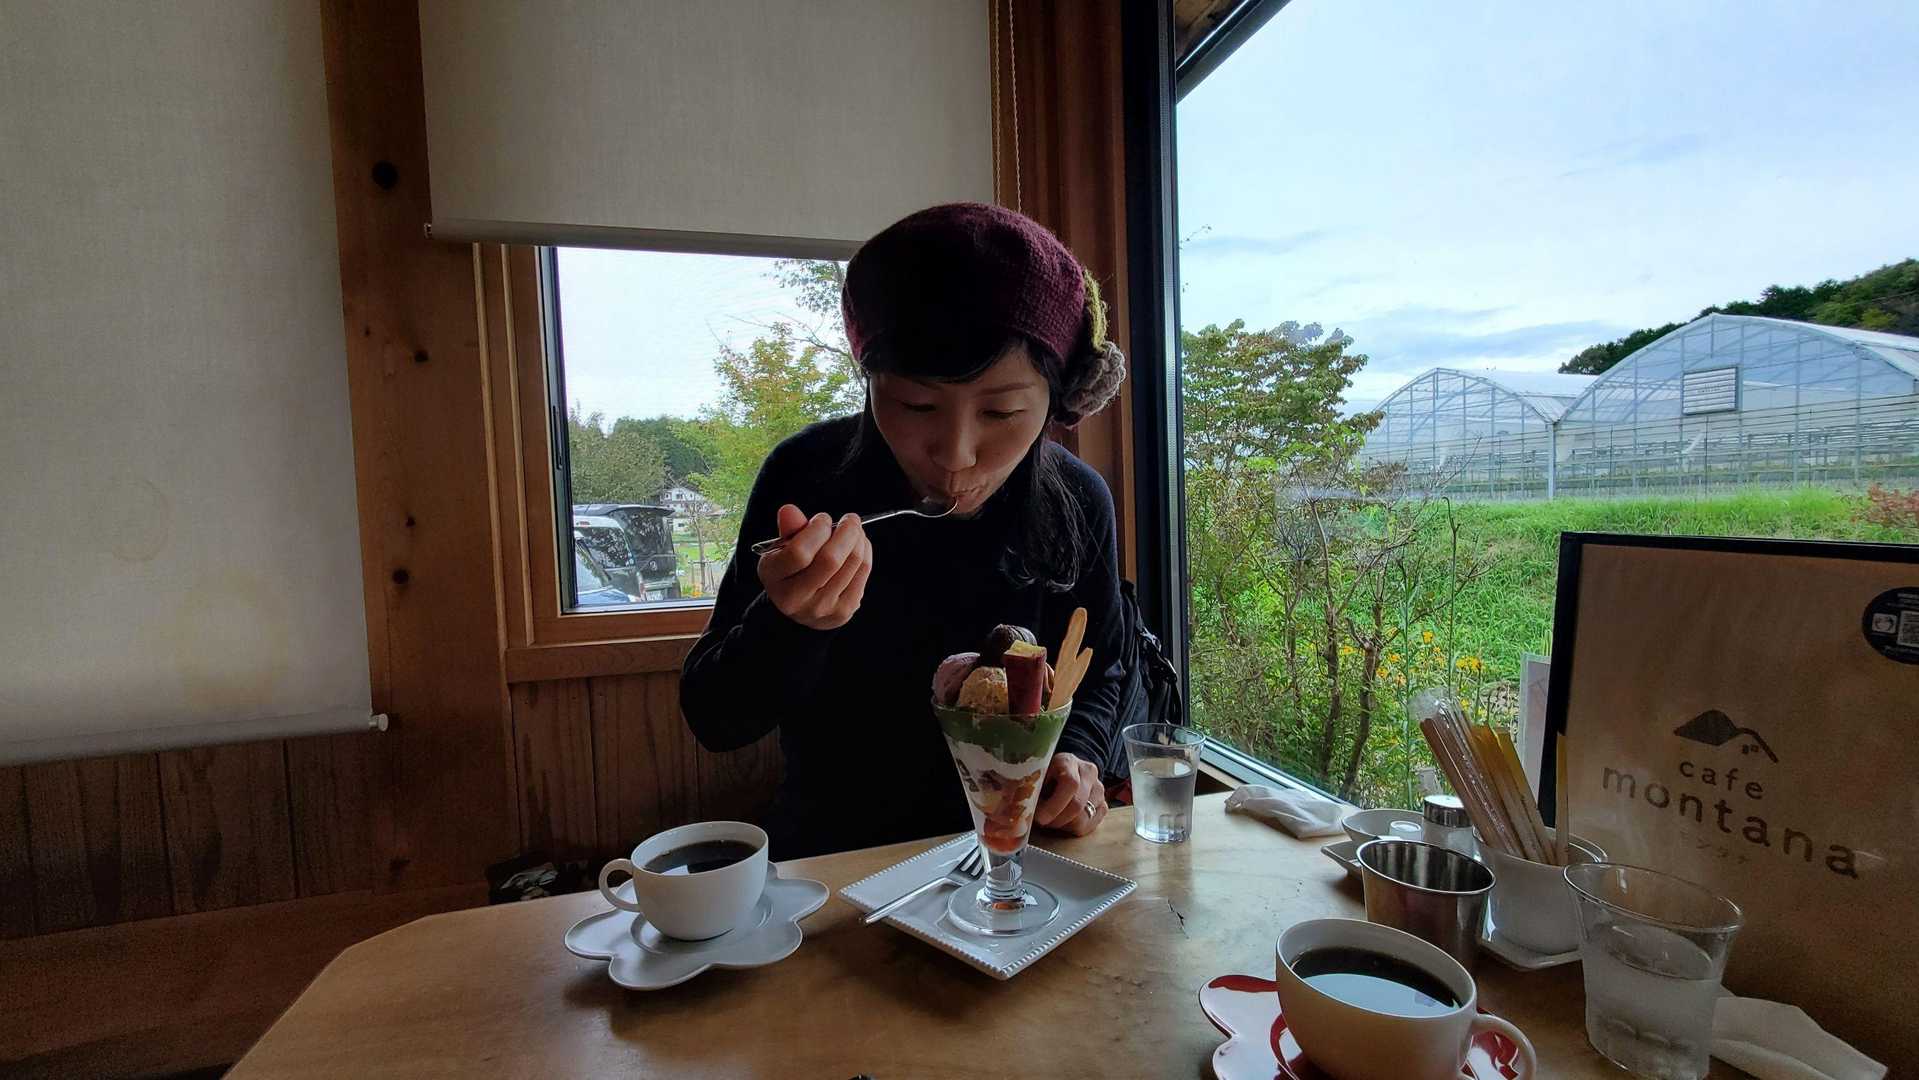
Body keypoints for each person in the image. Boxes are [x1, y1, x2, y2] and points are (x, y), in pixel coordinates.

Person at [680, 202, 1130, 859]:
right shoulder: (809, 479)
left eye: (1001, 411)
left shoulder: (1077, 501)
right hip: (837, 860)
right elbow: (716, 720)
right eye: (916, 405)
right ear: (870, 382)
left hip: (1016, 857)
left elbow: (1100, 670)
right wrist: (788, 623)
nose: (956, 455)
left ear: (1058, 399)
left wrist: (1078, 757)